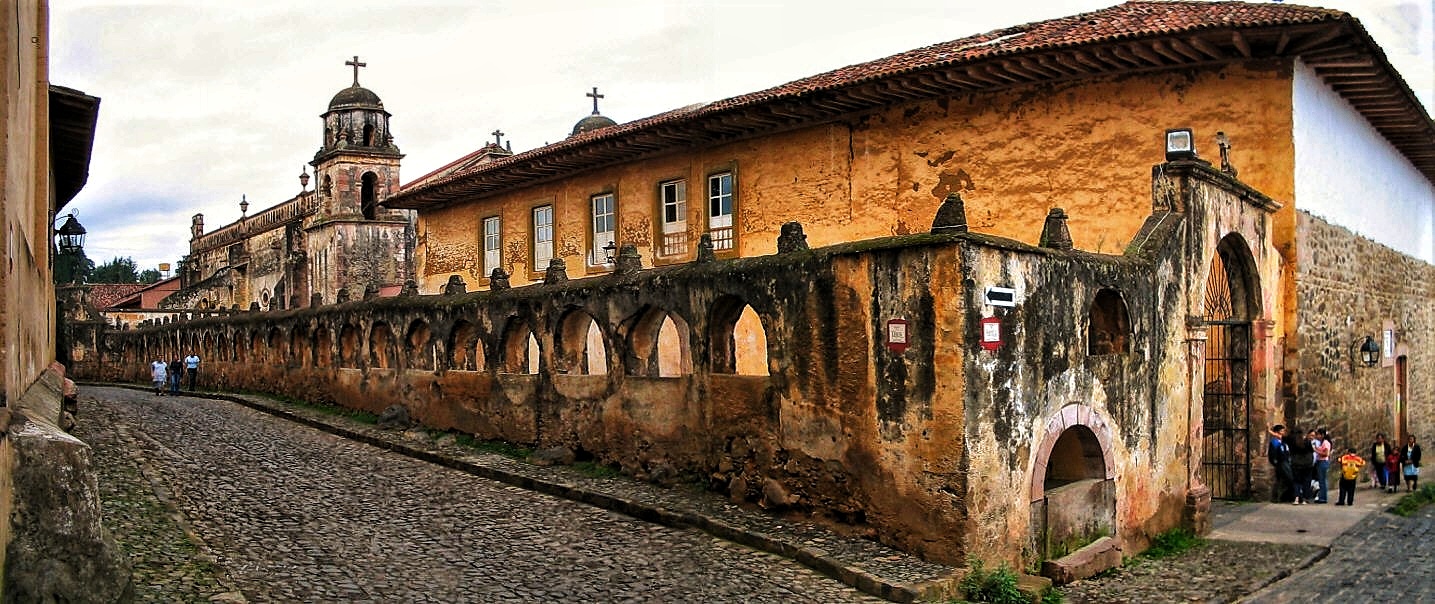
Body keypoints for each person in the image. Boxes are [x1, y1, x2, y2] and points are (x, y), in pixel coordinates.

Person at [1289, 427, 1315, 505]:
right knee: (1306, 481)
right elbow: (1311, 451)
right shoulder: (1307, 441)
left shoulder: (1292, 442)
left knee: (1296, 481)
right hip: (1307, 464)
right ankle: (1304, 498)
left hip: (1296, 464)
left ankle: (1296, 498)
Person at [1268, 424, 1293, 503]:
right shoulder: (1274, 442)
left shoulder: (1283, 441)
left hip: (1286, 462)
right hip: (1281, 463)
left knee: (1283, 481)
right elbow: (1272, 454)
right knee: (1282, 480)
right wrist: (1275, 462)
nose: (1283, 432)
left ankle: (1283, 497)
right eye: (1281, 430)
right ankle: (1277, 497)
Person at [1313, 428, 1332, 504]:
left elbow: (1326, 453)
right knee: (1321, 480)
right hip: (1321, 462)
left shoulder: (1326, 443)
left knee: (1322, 481)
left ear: (1322, 435)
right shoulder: (1322, 443)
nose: (1317, 436)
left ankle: (1323, 498)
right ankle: (1322, 497)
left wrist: (1316, 450)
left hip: (1323, 462)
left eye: (1318, 434)